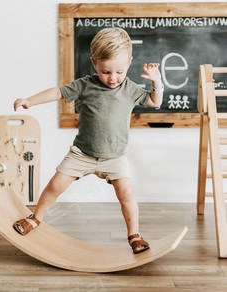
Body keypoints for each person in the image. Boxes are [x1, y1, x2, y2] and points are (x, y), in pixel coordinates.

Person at [13, 27, 163, 254]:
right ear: (94, 63)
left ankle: (134, 235)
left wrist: (156, 83)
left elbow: (154, 102)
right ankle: (35, 218)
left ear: (130, 62)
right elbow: (57, 93)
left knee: (127, 195)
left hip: (115, 157)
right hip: (82, 154)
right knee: (55, 186)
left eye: (119, 72)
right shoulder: (85, 85)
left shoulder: (130, 89)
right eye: (106, 72)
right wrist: (29, 101)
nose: (113, 78)